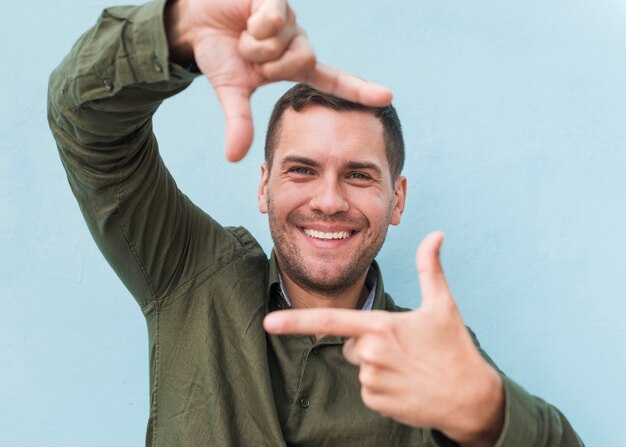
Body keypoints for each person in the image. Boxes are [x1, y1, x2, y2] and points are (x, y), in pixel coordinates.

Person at [47, 0, 583, 445]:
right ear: (264, 185)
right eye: (302, 169)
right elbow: (85, 127)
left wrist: (490, 413)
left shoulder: (433, 357)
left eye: (358, 175)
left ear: (397, 200)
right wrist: (176, 30)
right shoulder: (190, 274)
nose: (328, 201)